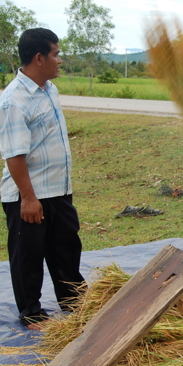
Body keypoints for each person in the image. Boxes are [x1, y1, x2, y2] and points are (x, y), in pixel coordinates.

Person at [0, 28, 85, 330]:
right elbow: (14, 155)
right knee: (29, 255)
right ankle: (31, 312)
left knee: (66, 247)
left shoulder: (50, 89)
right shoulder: (14, 100)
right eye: (56, 54)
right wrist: (28, 198)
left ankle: (74, 302)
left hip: (58, 189)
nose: (59, 60)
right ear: (39, 58)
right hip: (30, 193)